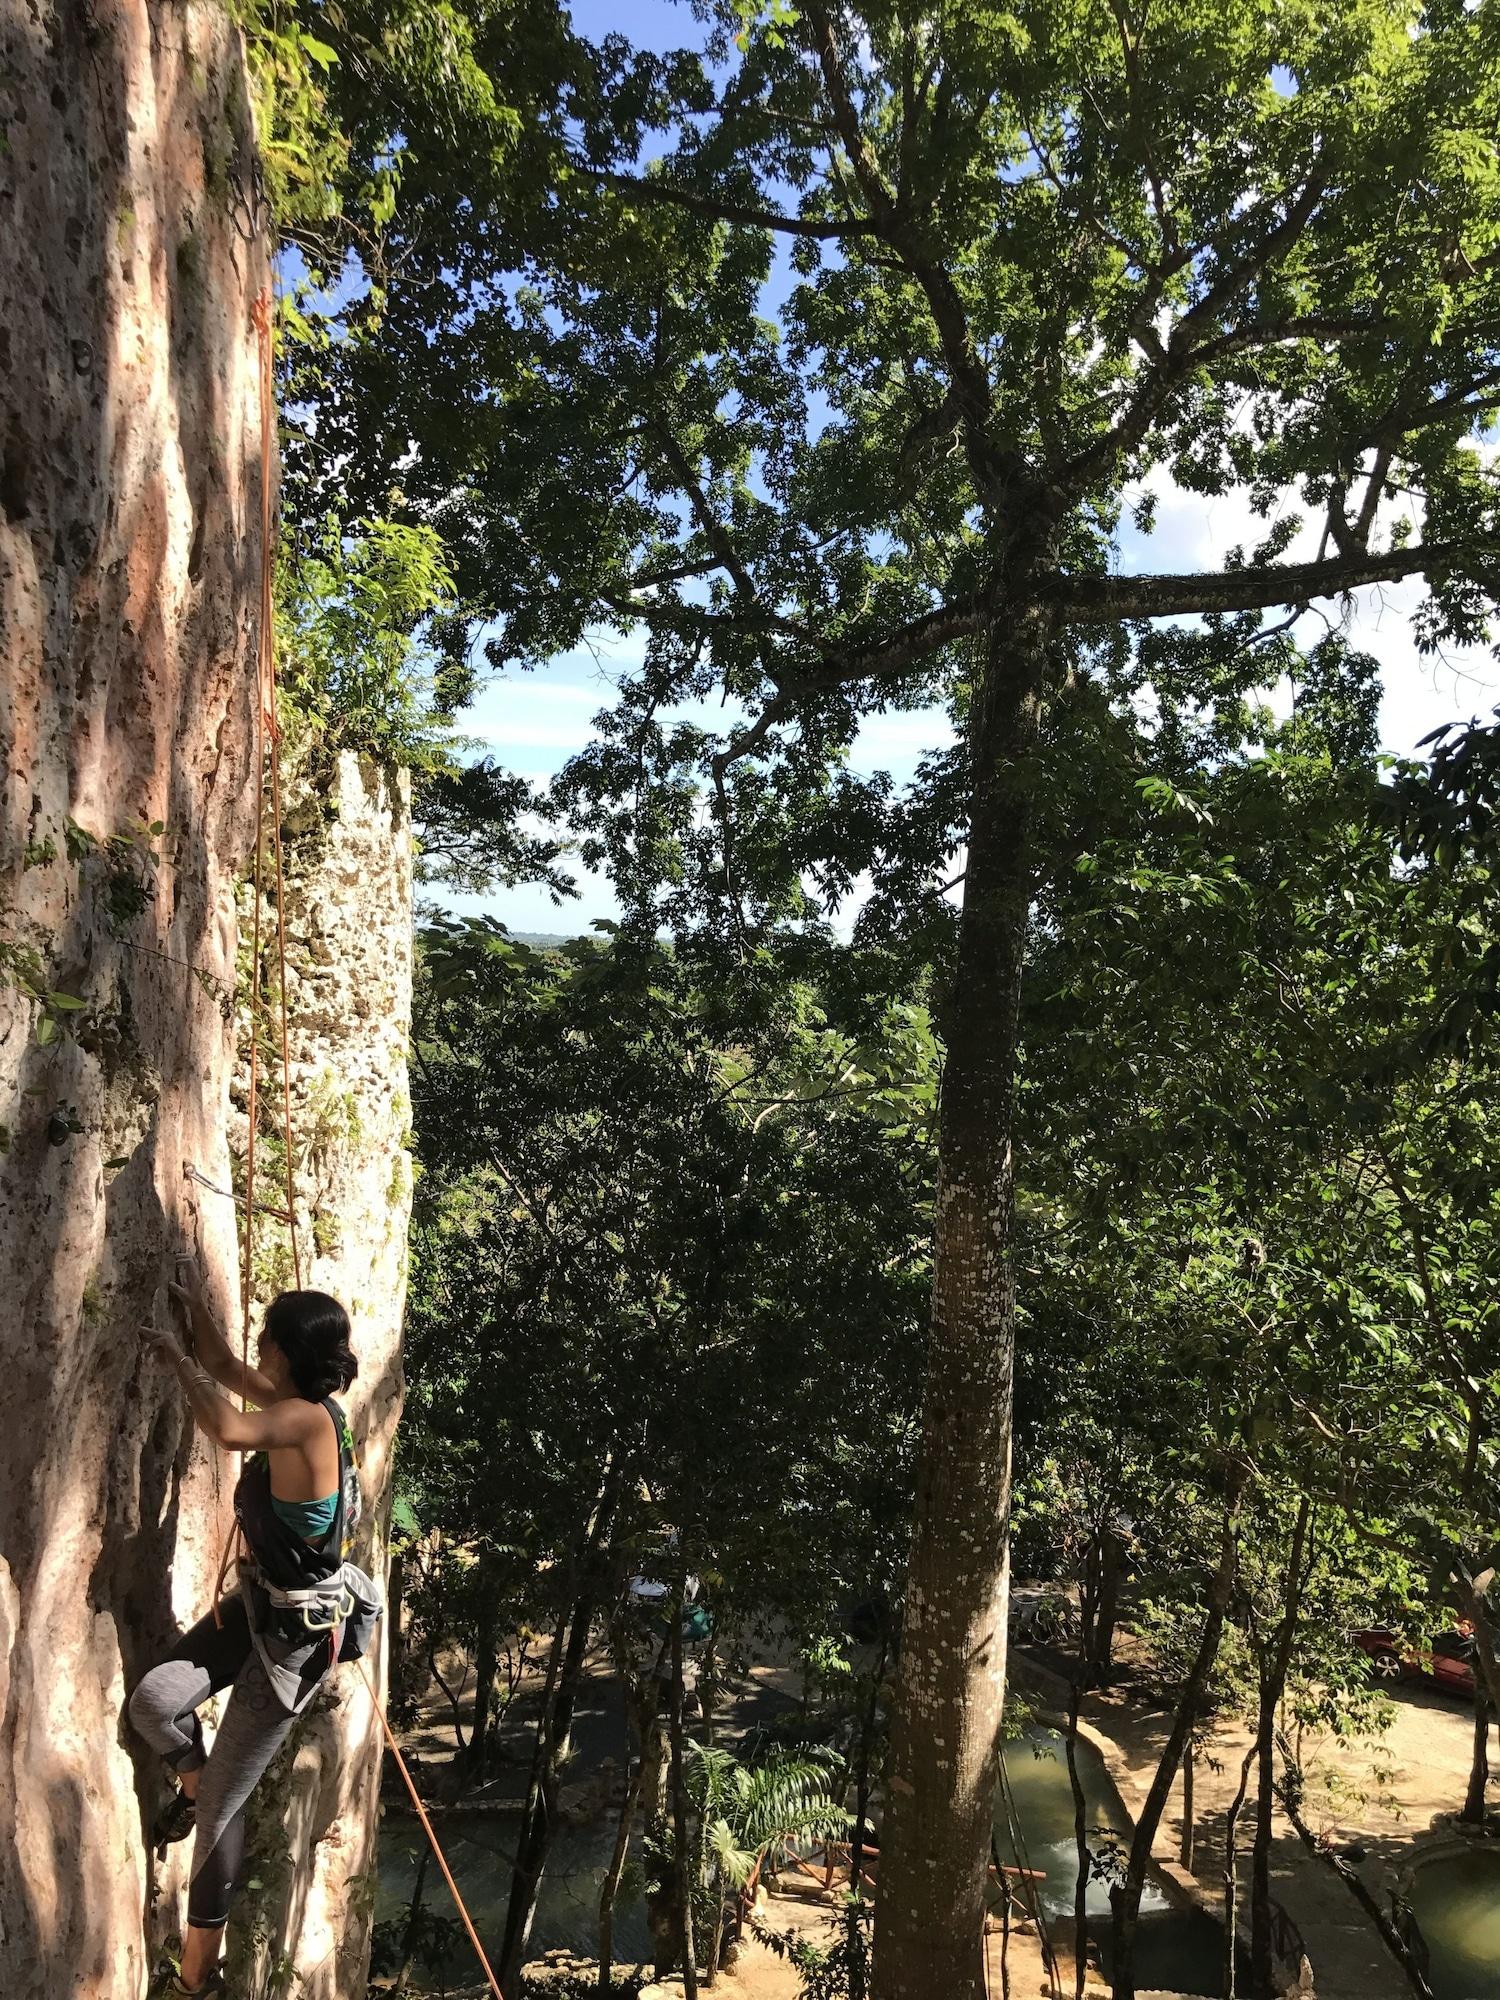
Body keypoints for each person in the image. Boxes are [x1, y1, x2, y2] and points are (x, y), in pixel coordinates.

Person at [131, 1262, 380, 1999]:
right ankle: (196, 1779)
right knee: (155, 1702)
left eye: (267, 1338)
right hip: (258, 1611)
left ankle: (195, 1977)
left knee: (220, 1818)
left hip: (294, 1649)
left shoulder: (303, 1419)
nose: (258, 1347)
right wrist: (188, 1310)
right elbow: (226, 1368)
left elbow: (227, 1425)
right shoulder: (298, 1401)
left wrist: (173, 1360)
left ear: (288, 1350)